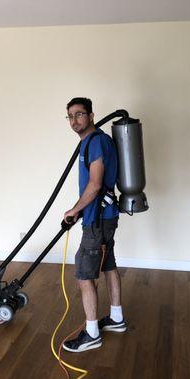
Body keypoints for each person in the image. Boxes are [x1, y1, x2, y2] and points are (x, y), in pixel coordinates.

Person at [62, 97, 126, 353]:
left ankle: (91, 334)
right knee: (108, 265)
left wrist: (75, 209)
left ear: (90, 115)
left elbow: (96, 184)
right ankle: (116, 318)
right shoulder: (91, 143)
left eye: (79, 114)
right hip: (103, 215)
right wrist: (79, 211)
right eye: (70, 116)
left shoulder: (96, 142)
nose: (74, 120)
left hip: (97, 221)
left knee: (84, 275)